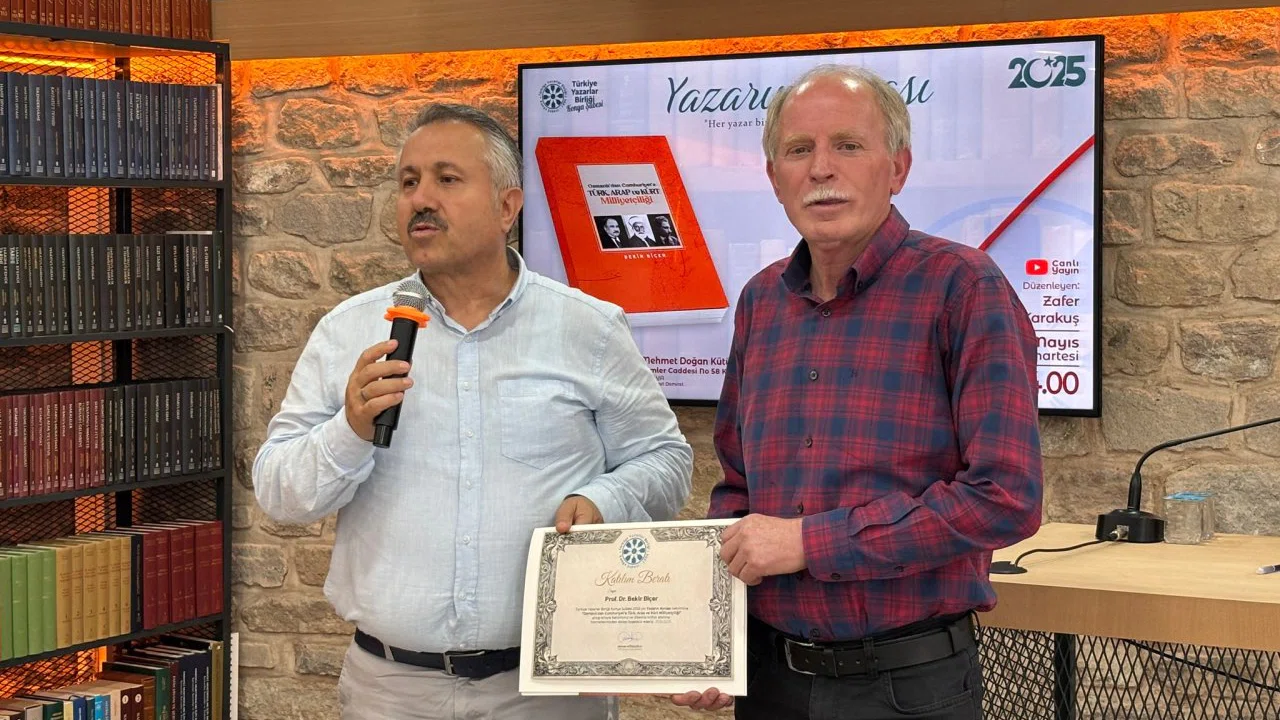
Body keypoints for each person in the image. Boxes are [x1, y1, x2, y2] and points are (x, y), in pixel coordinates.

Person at [253, 102, 694, 720]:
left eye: (447, 179)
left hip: (545, 690)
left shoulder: (587, 327)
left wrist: (604, 499)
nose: (420, 199)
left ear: (507, 207)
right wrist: (348, 430)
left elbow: (666, 460)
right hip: (389, 691)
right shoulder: (349, 329)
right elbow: (279, 492)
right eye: (409, 182)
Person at [673, 64, 1043, 718]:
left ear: (897, 168)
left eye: (847, 145)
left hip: (907, 687)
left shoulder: (964, 287)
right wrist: (713, 636)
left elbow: (1004, 498)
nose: (821, 168)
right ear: (774, 178)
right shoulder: (760, 302)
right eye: (799, 150)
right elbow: (737, 492)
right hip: (771, 679)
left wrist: (810, 542)